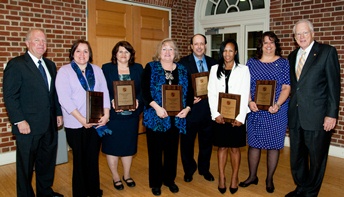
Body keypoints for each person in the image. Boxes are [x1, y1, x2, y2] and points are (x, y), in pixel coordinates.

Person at [3, 28, 63, 197]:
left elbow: (53, 94)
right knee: (26, 167)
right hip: (27, 127)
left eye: (44, 41)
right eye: (37, 40)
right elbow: (10, 96)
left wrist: (58, 113)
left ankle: (45, 192)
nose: (41, 44)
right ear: (27, 43)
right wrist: (19, 120)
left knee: (47, 163)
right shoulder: (17, 64)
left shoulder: (50, 65)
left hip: (49, 125)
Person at [285, 19, 340, 197]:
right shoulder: (292, 56)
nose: (301, 37)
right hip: (296, 116)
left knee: (316, 159)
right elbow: (295, 87)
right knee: (297, 157)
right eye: (298, 34)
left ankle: (310, 193)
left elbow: (334, 86)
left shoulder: (326, 52)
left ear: (312, 33)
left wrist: (331, 115)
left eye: (305, 33)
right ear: (294, 37)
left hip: (317, 117)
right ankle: (301, 188)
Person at [55, 39, 110, 197]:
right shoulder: (64, 71)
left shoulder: (97, 70)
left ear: (90, 54)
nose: (82, 54)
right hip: (75, 124)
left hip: (97, 122)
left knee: (92, 158)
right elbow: (64, 99)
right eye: (78, 51)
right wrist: (81, 120)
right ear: (72, 53)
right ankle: (79, 192)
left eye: (86, 51)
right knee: (79, 159)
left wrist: (106, 114)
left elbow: (105, 92)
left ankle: (93, 191)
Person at [239, 31, 291, 194]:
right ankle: (252, 176)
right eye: (265, 42)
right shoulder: (252, 62)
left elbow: (286, 87)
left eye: (272, 42)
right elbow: (245, 85)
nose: (268, 46)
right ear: (260, 45)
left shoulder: (283, 63)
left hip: (276, 111)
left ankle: (269, 179)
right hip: (256, 110)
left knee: (273, 146)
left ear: (276, 45)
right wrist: (249, 102)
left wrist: (277, 104)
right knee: (254, 145)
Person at [141, 38, 194, 196]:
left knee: (172, 152)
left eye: (171, 49)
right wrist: (156, 108)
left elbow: (190, 92)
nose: (167, 52)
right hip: (156, 117)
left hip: (176, 118)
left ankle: (170, 180)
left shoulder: (183, 70)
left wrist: (187, 109)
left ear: (175, 53)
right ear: (159, 52)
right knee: (155, 152)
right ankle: (156, 183)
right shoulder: (150, 67)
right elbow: (145, 91)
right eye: (164, 49)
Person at [207, 39, 250, 194]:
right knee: (222, 147)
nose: (227, 54)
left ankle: (234, 178)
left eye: (231, 50)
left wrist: (241, 117)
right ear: (221, 52)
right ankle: (222, 177)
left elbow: (245, 94)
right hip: (220, 116)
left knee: (234, 148)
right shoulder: (214, 69)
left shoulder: (243, 70)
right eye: (225, 50)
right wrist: (215, 114)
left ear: (236, 52)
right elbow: (211, 92)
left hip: (237, 116)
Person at [101, 41, 143, 190]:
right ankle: (115, 176)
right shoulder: (107, 68)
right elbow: (102, 90)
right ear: (115, 54)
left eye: (126, 52)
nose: (123, 55)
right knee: (112, 146)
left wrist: (138, 101)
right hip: (113, 116)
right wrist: (110, 101)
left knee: (128, 146)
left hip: (131, 117)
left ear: (131, 54)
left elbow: (142, 91)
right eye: (120, 52)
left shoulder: (138, 68)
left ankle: (126, 174)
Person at [179, 33, 217, 183]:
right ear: (191, 46)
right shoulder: (183, 63)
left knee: (206, 143)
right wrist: (187, 100)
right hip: (190, 110)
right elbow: (179, 86)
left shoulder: (213, 63)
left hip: (208, 110)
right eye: (196, 44)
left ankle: (204, 169)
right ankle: (189, 170)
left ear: (205, 45)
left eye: (202, 44)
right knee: (187, 144)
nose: (199, 46)